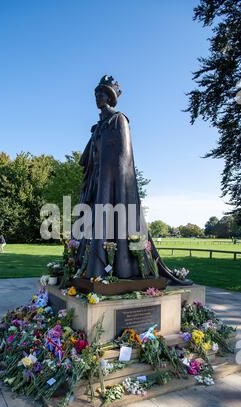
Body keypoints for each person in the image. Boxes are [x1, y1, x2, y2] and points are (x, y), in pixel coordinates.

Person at [76, 75, 192, 285]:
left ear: (110, 97)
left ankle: (118, 267)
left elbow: (123, 159)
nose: (97, 97)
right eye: (96, 93)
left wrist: (109, 182)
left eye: (102, 93)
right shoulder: (98, 127)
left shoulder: (119, 120)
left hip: (113, 185)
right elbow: (88, 159)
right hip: (97, 183)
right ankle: (88, 267)